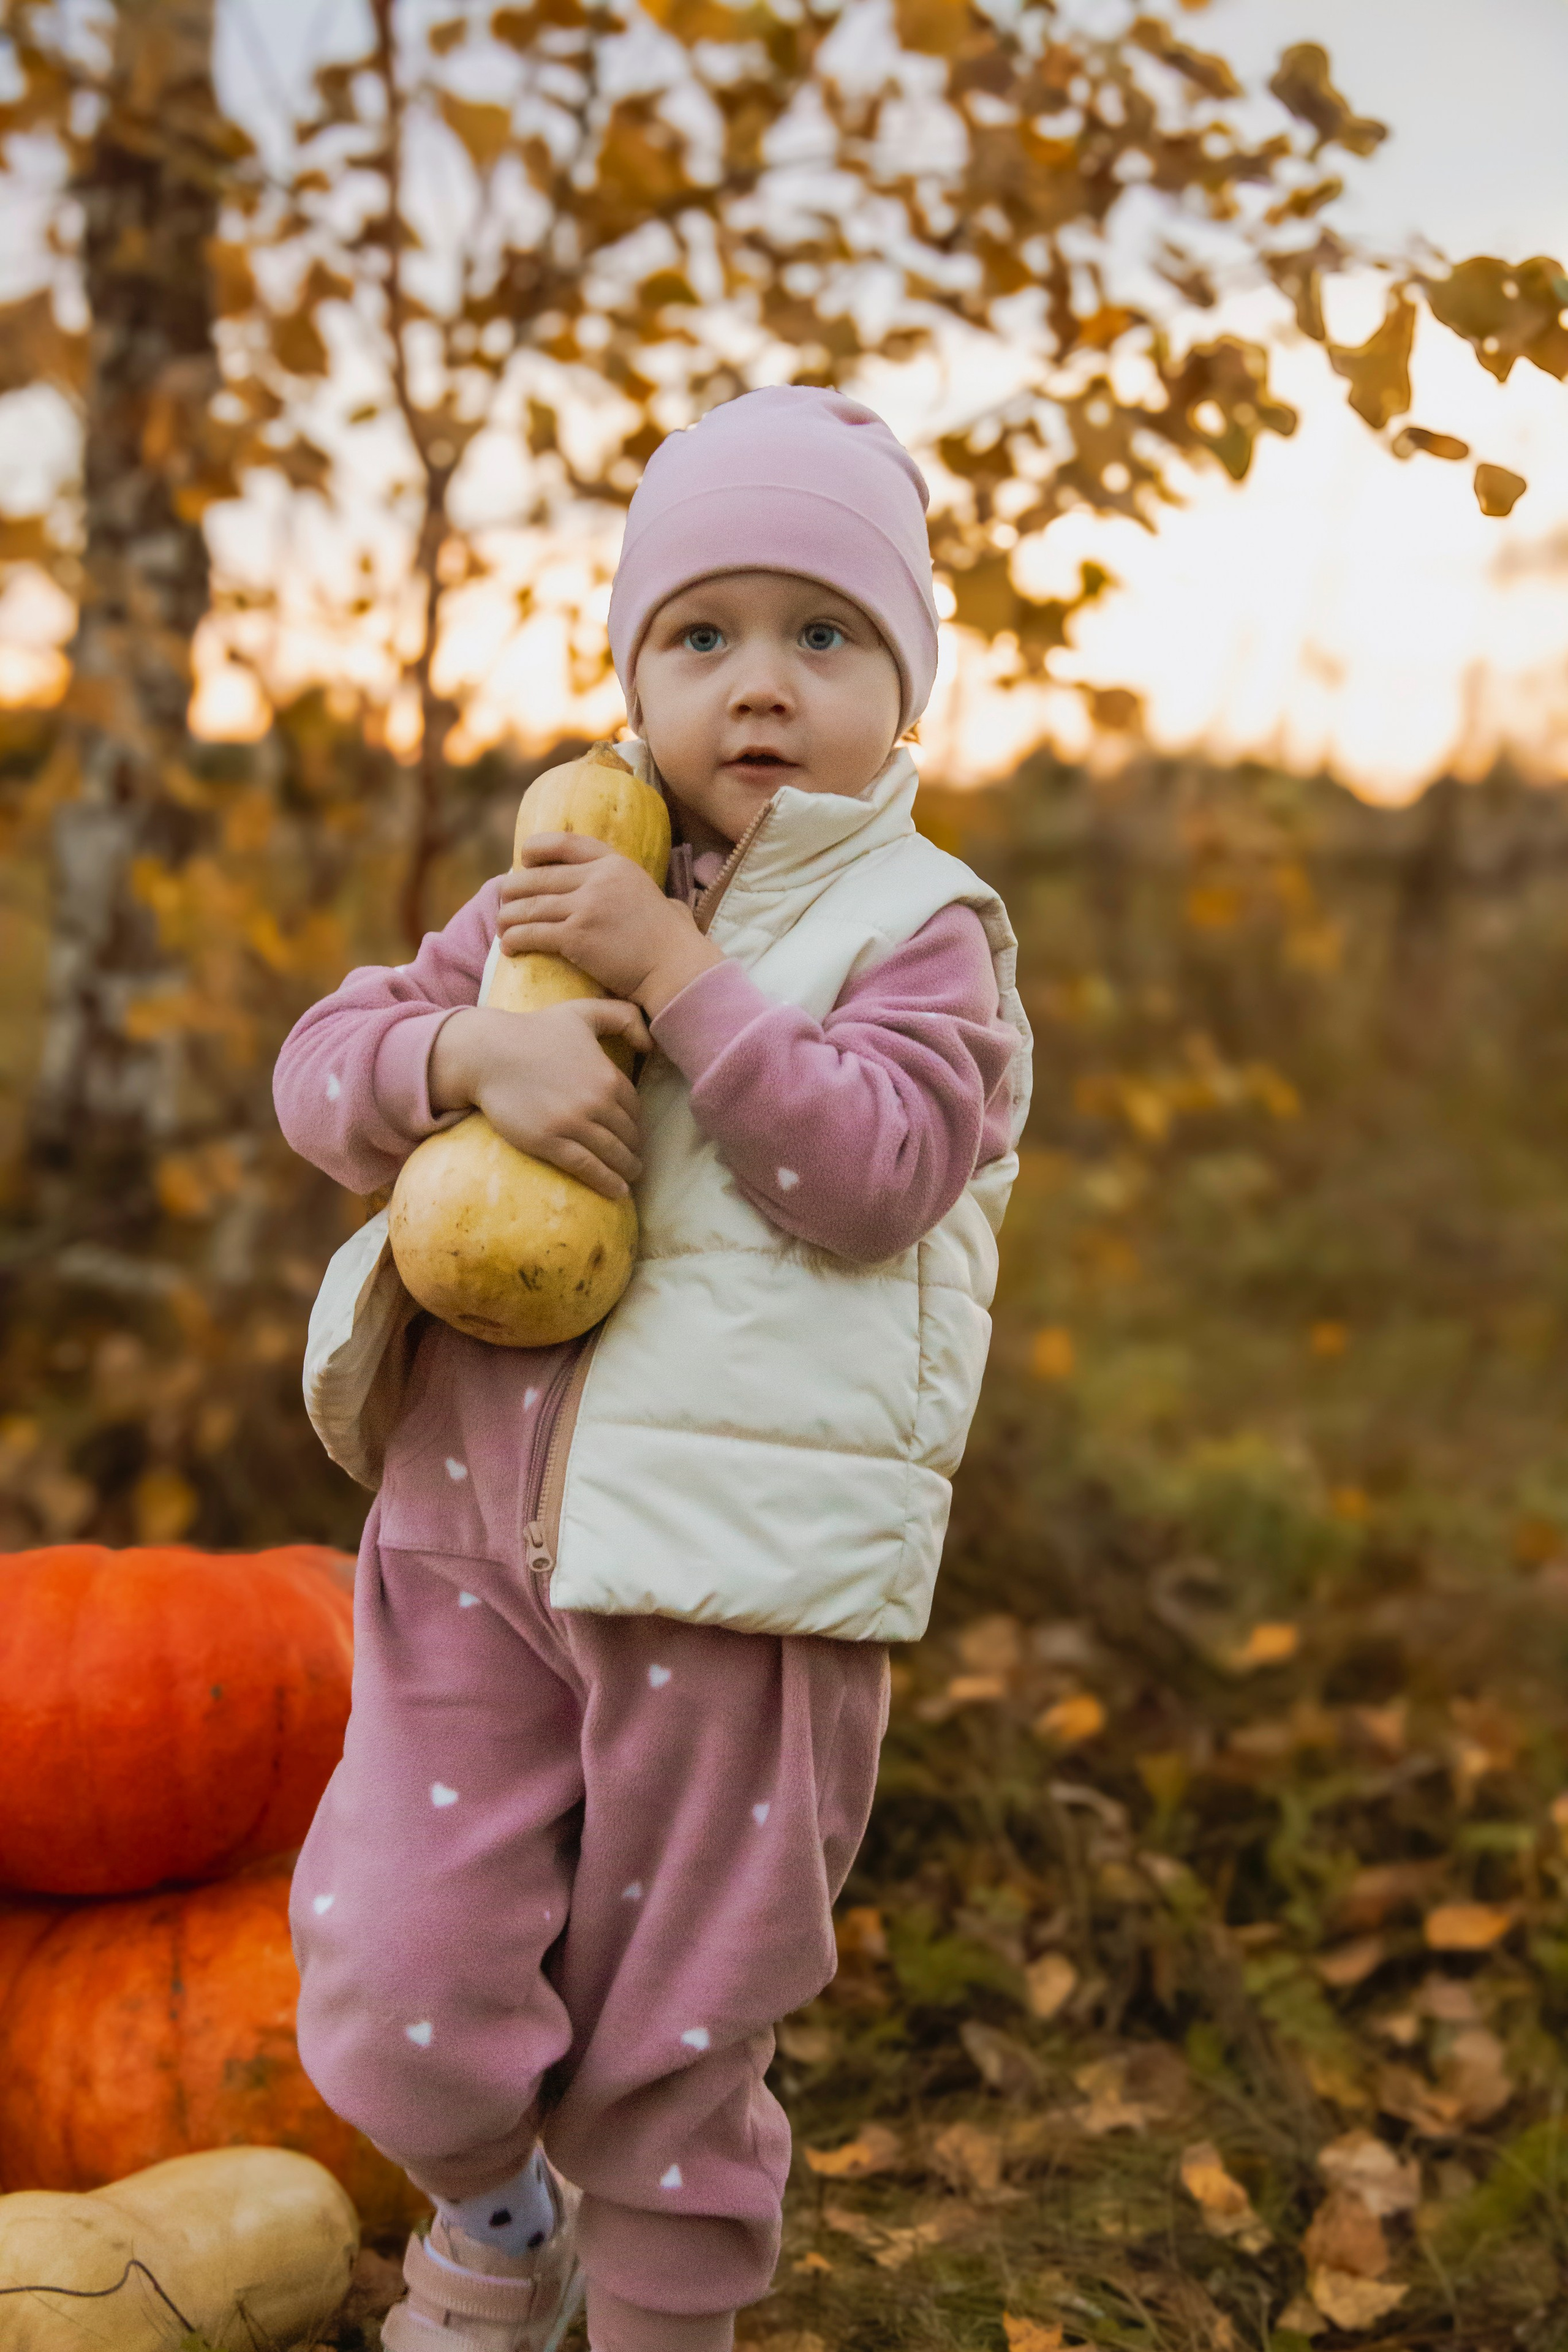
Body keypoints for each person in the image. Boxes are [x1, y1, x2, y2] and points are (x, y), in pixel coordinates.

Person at [273, 385, 1032, 2352]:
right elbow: (318, 1072)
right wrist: (468, 1052)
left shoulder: (919, 931)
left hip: (737, 1580)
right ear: (634, 673)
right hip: (464, 1537)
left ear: (908, 685)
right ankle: (498, 2223)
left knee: (674, 2042)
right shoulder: (546, 884)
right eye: (702, 634)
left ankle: (655, 2318)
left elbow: (873, 1175)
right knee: (391, 1975)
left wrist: (678, 978)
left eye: (823, 632)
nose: (758, 683)